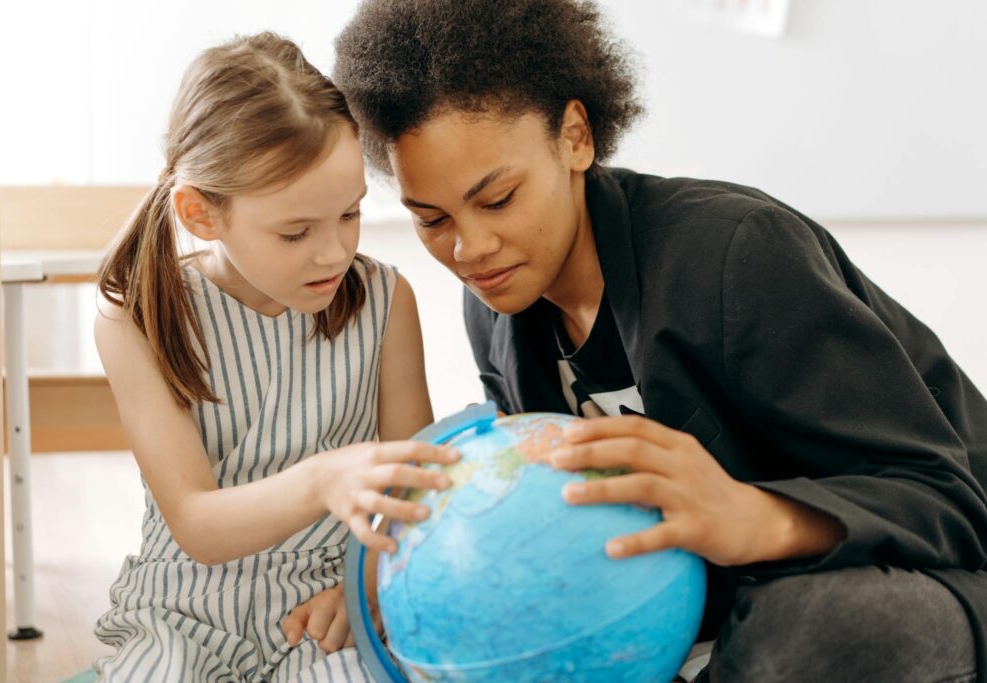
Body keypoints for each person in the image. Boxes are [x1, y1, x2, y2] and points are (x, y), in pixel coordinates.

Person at [321, 1, 987, 681]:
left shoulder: (735, 254)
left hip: (943, 578)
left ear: (575, 137)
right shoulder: (495, 308)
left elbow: (951, 498)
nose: (470, 248)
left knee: (802, 630)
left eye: (498, 200)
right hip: (724, 609)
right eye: (431, 219)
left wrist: (752, 516)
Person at [92, 32, 458, 682]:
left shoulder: (384, 300)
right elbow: (197, 522)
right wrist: (323, 478)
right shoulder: (136, 316)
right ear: (201, 213)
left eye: (350, 215)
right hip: (182, 614)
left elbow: (411, 499)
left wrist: (365, 588)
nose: (333, 253)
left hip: (326, 611)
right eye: (295, 232)